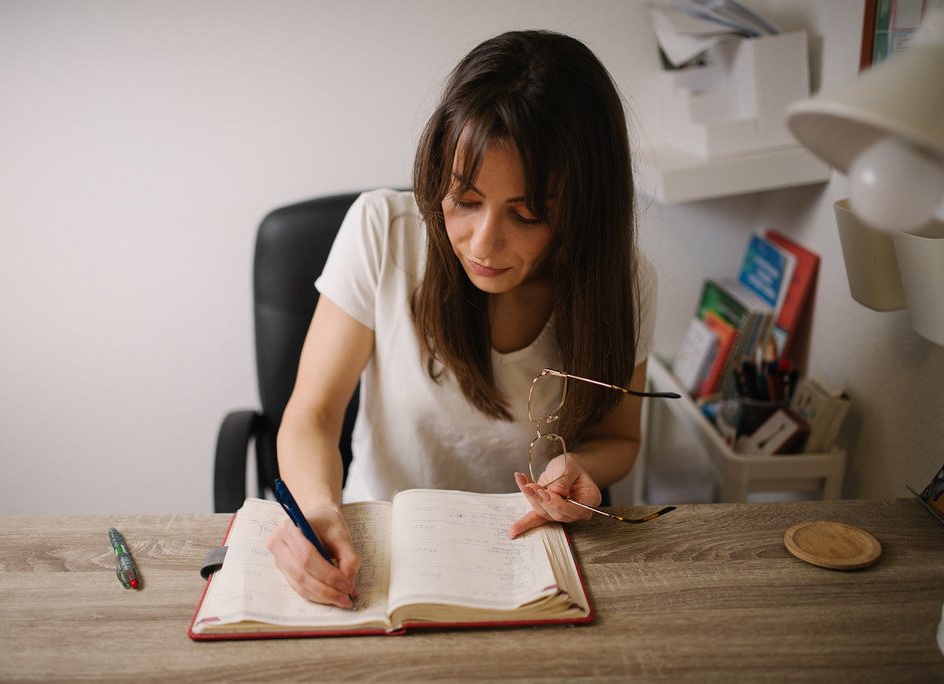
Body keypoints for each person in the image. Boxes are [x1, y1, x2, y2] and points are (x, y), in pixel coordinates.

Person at [266, 29, 657, 608]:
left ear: (582, 209)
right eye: (464, 200)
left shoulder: (621, 281)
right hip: (378, 545)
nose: (483, 243)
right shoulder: (383, 232)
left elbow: (619, 438)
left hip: (525, 554)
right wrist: (318, 510)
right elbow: (313, 413)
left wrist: (581, 469)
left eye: (526, 215)